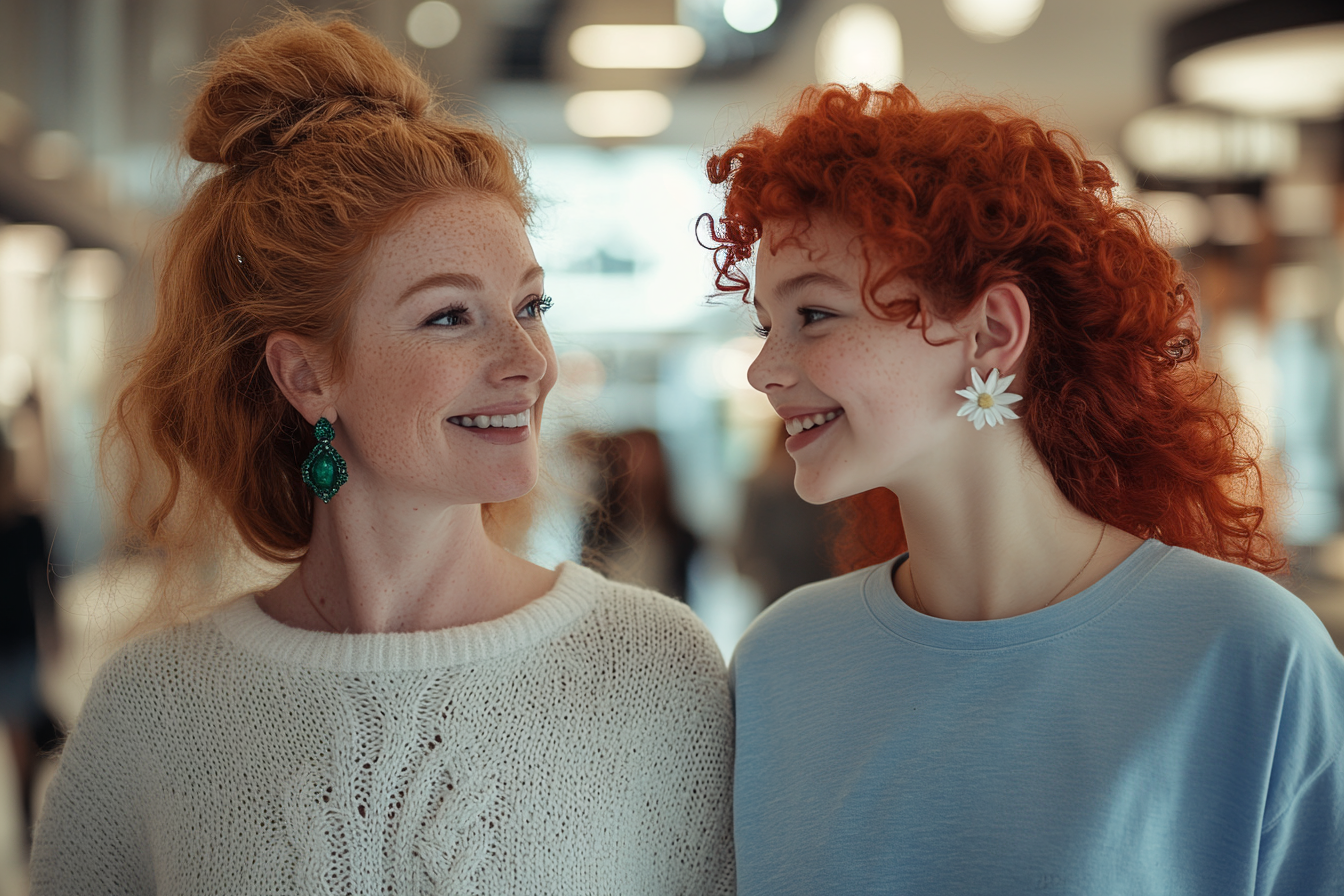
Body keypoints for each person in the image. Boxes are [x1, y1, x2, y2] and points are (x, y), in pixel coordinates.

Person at [30, 14, 733, 894]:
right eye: (450, 316)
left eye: (530, 307)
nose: (527, 364)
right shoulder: (152, 709)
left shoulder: (654, 670)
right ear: (307, 375)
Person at [701, 84, 1344, 894]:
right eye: (765, 324)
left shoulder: (1246, 653)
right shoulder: (781, 663)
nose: (764, 370)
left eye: (816, 316)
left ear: (992, 334)